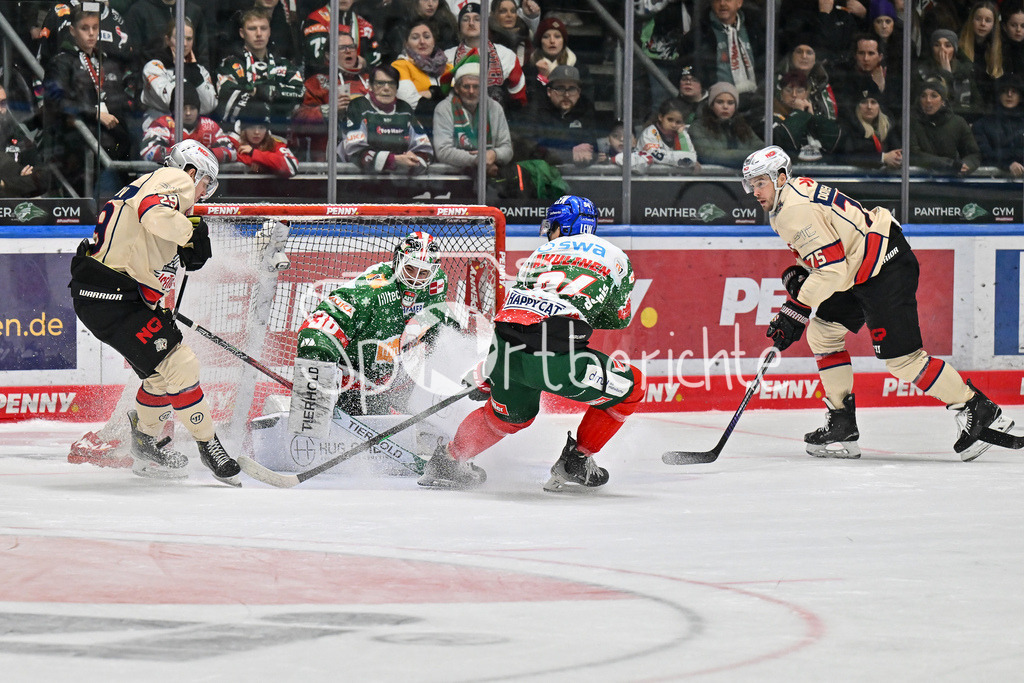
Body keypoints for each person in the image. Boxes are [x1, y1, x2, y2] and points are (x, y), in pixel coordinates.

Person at [741, 145, 1015, 462]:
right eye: (751, 184)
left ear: (781, 177)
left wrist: (796, 309)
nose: (755, 191)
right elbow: (834, 258)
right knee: (823, 332)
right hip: (861, 267)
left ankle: (975, 407)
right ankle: (842, 422)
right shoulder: (790, 195)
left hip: (885, 266)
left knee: (903, 360)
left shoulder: (792, 210)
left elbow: (831, 270)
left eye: (760, 182)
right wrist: (803, 284)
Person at [416, 194, 645, 491]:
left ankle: (448, 462)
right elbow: (618, 319)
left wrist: (493, 369)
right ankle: (577, 461)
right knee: (633, 387)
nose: (549, 233)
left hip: (506, 351)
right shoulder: (615, 257)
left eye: (551, 226)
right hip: (557, 358)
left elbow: (517, 313)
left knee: (509, 417)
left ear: (562, 227)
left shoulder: (540, 255)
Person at [67, 139, 241, 485]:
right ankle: (210, 445)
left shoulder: (146, 184)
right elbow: (153, 213)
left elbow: (142, 241)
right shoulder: (173, 179)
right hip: (111, 295)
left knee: (159, 375)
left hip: (106, 294)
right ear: (191, 170)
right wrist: (190, 231)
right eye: (205, 182)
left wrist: (182, 245)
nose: (204, 193)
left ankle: (146, 439)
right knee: (181, 363)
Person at [294, 231, 453, 416]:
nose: (415, 279)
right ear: (398, 261)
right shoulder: (374, 290)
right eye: (410, 268)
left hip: (393, 380)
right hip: (353, 383)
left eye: (423, 272)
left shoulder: (436, 284)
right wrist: (318, 372)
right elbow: (317, 329)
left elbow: (436, 324)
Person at [41, 3, 130, 198]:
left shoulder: (102, 60)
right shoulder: (61, 61)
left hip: (102, 135)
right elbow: (56, 100)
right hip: (71, 136)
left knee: (128, 142)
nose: (91, 34)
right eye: (84, 28)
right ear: (72, 30)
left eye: (95, 28)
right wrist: (95, 113)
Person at [216, 8, 305, 126]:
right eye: (252, 29)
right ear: (242, 33)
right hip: (240, 134)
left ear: (269, 32)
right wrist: (268, 96)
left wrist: (266, 92)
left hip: (279, 134)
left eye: (263, 28)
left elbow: (299, 93)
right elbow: (227, 100)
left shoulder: (284, 64)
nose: (259, 34)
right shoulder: (229, 65)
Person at [292, 31, 370, 161]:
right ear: (328, 55)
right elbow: (298, 123)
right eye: (341, 48)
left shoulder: (372, 80)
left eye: (351, 47)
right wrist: (329, 111)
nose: (348, 51)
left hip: (368, 159)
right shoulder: (317, 82)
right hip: (330, 162)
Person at [341, 64, 434, 173]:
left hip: (400, 181)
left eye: (392, 83)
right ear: (370, 85)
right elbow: (356, 151)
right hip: (360, 181)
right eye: (380, 83)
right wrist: (394, 160)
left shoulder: (404, 108)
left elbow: (424, 148)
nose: (386, 88)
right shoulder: (358, 105)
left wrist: (414, 161)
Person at [432, 58, 512, 180]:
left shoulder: (495, 108)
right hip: (454, 177)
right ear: (457, 88)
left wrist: (494, 154)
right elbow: (443, 151)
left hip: (491, 177)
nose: (471, 91)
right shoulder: (443, 109)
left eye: (476, 86)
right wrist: (478, 160)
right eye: (466, 86)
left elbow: (507, 148)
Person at [512, 64, 599, 168]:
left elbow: (592, 148)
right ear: (549, 91)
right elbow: (530, 148)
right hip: (541, 175)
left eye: (572, 89)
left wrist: (585, 155)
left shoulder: (585, 108)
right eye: (560, 88)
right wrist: (570, 153)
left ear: (579, 92)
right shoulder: (535, 109)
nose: (566, 95)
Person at [139, 17, 217, 130]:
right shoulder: (153, 67)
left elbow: (209, 105)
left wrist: (193, 73)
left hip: (192, 132)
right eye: (179, 38)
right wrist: (180, 69)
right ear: (167, 40)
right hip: (158, 130)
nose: (185, 44)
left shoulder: (199, 70)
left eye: (189, 39)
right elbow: (172, 102)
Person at [444, 3, 527, 109]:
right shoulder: (447, 57)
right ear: (459, 26)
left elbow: (519, 98)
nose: (471, 23)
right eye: (465, 19)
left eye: (477, 19)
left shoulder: (506, 55)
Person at [140, 85, 236, 164]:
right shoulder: (163, 123)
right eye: (183, 108)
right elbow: (147, 151)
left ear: (198, 109)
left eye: (192, 108)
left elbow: (231, 152)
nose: (188, 113)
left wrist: (206, 154)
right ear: (174, 109)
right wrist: (183, 155)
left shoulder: (209, 125)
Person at [908, 79, 981, 176]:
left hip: (951, 183)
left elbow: (973, 154)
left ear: (943, 101)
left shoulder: (958, 123)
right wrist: (949, 164)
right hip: (918, 181)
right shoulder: (910, 122)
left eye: (934, 96)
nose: (928, 100)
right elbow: (913, 155)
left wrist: (966, 165)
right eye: (923, 96)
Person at [391, 20, 453, 130]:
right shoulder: (400, 66)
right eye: (415, 38)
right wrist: (438, 92)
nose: (422, 42)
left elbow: (460, 98)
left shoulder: (448, 67)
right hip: (418, 128)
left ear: (434, 41)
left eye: (427, 37)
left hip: (451, 126)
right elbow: (409, 102)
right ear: (406, 43)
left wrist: (430, 94)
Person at [915, 29, 987, 122]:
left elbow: (978, 107)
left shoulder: (965, 72)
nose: (942, 49)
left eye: (947, 45)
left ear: (954, 49)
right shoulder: (922, 72)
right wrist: (946, 74)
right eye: (937, 45)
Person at [688, 82, 764, 168]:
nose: (725, 107)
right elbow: (706, 155)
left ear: (736, 107)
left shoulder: (743, 127)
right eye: (720, 102)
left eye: (730, 103)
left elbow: (763, 150)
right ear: (711, 105)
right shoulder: (698, 127)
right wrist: (752, 157)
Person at [772, 70, 843, 163]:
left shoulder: (815, 114)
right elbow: (784, 141)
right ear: (781, 93)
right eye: (788, 90)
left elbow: (836, 141)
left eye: (799, 91)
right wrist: (799, 112)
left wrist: (812, 116)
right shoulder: (772, 116)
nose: (794, 95)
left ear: (806, 94)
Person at [301, 0, 382, 76]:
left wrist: (364, 62)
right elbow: (318, 57)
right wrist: (354, 61)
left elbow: (376, 61)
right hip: (323, 84)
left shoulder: (365, 26)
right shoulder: (316, 19)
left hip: (358, 84)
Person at [0, 85, 53, 198]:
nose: (1, 109)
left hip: (13, 208)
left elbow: (43, 177)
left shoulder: (15, 134)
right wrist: (21, 181)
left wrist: (5, 184)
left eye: (3, 103)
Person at [229, 100, 299, 177]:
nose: (256, 132)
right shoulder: (232, 141)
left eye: (261, 127)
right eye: (252, 127)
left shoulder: (276, 143)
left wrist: (255, 154)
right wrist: (269, 164)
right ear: (243, 129)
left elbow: (292, 166)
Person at [972, 76, 1024, 177]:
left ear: (1020, 96)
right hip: (991, 183)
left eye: (1014, 91)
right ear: (998, 95)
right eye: (1004, 91)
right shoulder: (982, 124)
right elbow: (984, 153)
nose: (1009, 95)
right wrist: (1007, 164)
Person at [841, 89, 902, 169]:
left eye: (873, 102)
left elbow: (897, 149)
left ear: (879, 107)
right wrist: (883, 158)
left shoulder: (888, 127)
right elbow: (848, 157)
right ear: (857, 107)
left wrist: (898, 157)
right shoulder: (849, 128)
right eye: (864, 102)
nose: (869, 107)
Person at [636, 96, 700, 171]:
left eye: (678, 122)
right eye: (670, 120)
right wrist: (686, 159)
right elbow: (655, 156)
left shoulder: (682, 134)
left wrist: (682, 136)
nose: (673, 125)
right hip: (648, 176)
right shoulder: (649, 133)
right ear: (660, 117)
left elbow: (690, 154)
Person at [958, 1, 1004, 105]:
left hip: (987, 109)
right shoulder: (958, 47)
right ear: (971, 20)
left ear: (994, 24)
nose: (982, 24)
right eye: (978, 19)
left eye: (988, 20)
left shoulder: (998, 50)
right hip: (964, 105)